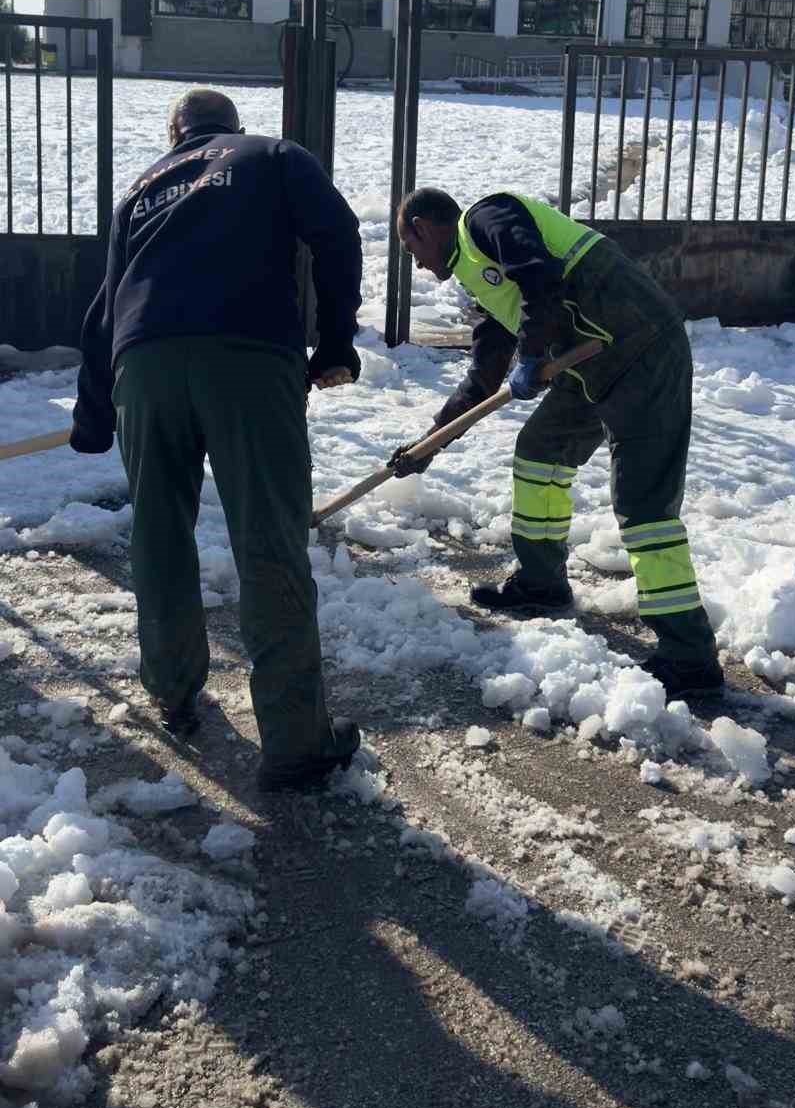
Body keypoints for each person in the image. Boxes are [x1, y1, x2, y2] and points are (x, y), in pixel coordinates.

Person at [70, 86, 364, 789]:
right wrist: (334, 343)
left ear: (176, 132)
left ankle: (171, 689)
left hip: (143, 366)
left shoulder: (139, 191)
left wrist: (93, 412)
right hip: (247, 356)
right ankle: (296, 744)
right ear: (231, 125)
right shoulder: (271, 154)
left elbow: (106, 304)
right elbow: (337, 231)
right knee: (268, 537)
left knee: (160, 533)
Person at [392, 187, 722, 701]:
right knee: (539, 454)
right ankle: (542, 583)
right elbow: (482, 379)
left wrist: (532, 349)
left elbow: (538, 272)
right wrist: (430, 442)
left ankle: (690, 655)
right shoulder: (480, 280)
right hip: (588, 363)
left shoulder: (487, 218)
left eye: (410, 249)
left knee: (643, 504)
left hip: (641, 348)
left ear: (421, 227)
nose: (415, 262)